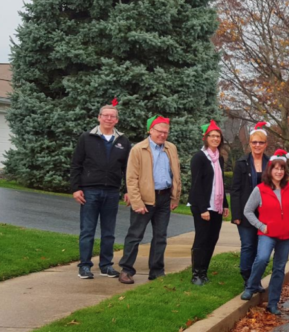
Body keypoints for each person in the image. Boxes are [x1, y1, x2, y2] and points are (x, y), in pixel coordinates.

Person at [69, 98, 132, 279]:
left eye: (113, 116)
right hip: (89, 191)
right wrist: (76, 188)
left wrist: (127, 190)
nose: (109, 119)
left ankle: (106, 265)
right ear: (99, 118)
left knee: (109, 232)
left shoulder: (122, 141)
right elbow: (76, 165)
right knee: (87, 230)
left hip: (112, 192)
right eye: (106, 116)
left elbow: (128, 168)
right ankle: (85, 266)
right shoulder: (87, 138)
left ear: (117, 120)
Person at [119, 115, 181, 284]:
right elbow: (131, 178)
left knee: (160, 236)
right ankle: (126, 270)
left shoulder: (171, 148)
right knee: (135, 234)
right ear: (150, 131)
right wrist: (137, 202)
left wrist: (175, 197)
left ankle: (156, 270)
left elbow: (175, 174)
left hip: (164, 197)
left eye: (165, 132)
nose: (162, 135)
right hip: (145, 199)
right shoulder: (139, 149)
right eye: (159, 131)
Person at [240, 150, 289, 315]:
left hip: (287, 234)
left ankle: (273, 303)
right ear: (270, 170)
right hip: (267, 233)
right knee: (262, 259)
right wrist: (260, 225)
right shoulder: (260, 189)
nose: (279, 171)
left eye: (282, 168)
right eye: (276, 168)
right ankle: (251, 285)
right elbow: (247, 211)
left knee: (279, 268)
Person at [188, 120, 229, 286]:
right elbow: (196, 185)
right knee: (202, 239)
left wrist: (225, 204)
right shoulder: (199, 158)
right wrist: (203, 208)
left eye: (218, 136)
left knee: (212, 239)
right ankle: (196, 274)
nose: (215, 139)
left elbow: (220, 182)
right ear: (205, 138)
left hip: (216, 206)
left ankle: (204, 272)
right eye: (212, 136)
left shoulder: (219, 158)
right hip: (202, 206)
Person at [231, 121, 271, 291]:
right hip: (246, 214)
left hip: (264, 214)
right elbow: (235, 190)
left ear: (265, 144)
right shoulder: (242, 163)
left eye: (260, 142)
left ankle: (255, 279)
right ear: (249, 144)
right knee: (248, 245)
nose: (257, 145)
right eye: (254, 142)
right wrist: (236, 215)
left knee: (260, 249)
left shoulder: (270, 163)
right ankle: (247, 278)